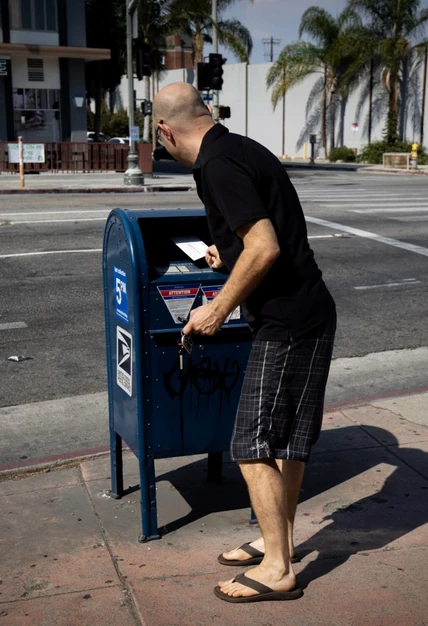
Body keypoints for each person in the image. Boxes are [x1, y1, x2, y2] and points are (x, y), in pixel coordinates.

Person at [152, 82, 337, 603]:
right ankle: (278, 541)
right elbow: (256, 239)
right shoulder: (240, 148)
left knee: (252, 442)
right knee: (289, 442)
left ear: (164, 129)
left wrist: (216, 309)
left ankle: (278, 568)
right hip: (311, 311)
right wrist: (228, 253)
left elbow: (266, 246)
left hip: (285, 322)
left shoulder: (216, 166)